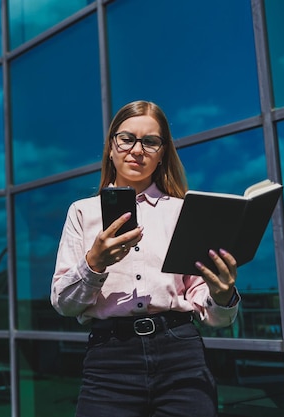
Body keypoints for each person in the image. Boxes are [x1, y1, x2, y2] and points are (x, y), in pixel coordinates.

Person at [51, 100, 240, 417]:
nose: (137, 150)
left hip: (181, 354)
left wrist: (222, 296)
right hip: (109, 359)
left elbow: (214, 315)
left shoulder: (184, 211)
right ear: (111, 147)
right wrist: (93, 264)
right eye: (127, 139)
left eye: (150, 141)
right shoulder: (82, 213)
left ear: (162, 151)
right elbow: (64, 304)